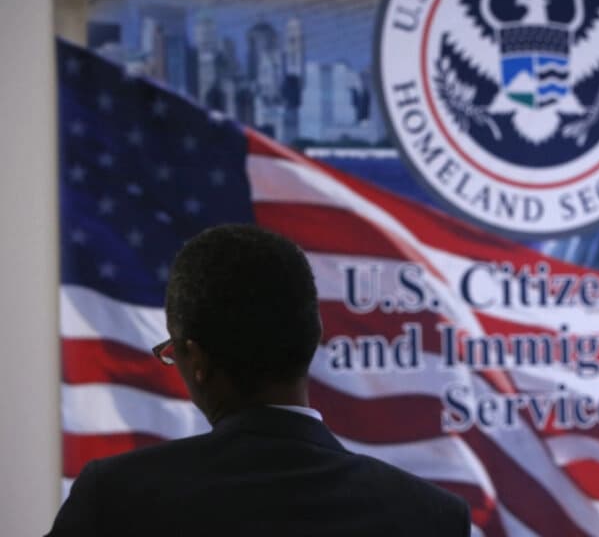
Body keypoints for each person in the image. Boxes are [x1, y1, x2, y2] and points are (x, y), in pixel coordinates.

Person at [47, 224, 470, 537]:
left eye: (174, 353)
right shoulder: (431, 519)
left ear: (197, 360)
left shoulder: (116, 501)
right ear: (315, 337)